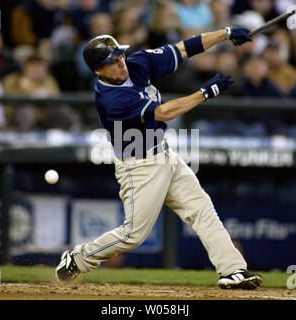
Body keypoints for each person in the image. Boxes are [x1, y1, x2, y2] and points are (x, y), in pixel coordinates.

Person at [56, 27, 264, 289]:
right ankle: (79, 257)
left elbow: (184, 48)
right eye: (111, 61)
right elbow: (164, 112)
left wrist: (226, 33)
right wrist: (205, 93)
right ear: (98, 70)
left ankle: (233, 270)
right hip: (139, 165)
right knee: (133, 235)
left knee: (202, 209)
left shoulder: (137, 63)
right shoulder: (111, 99)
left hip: (164, 153)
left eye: (119, 55)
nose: (120, 62)